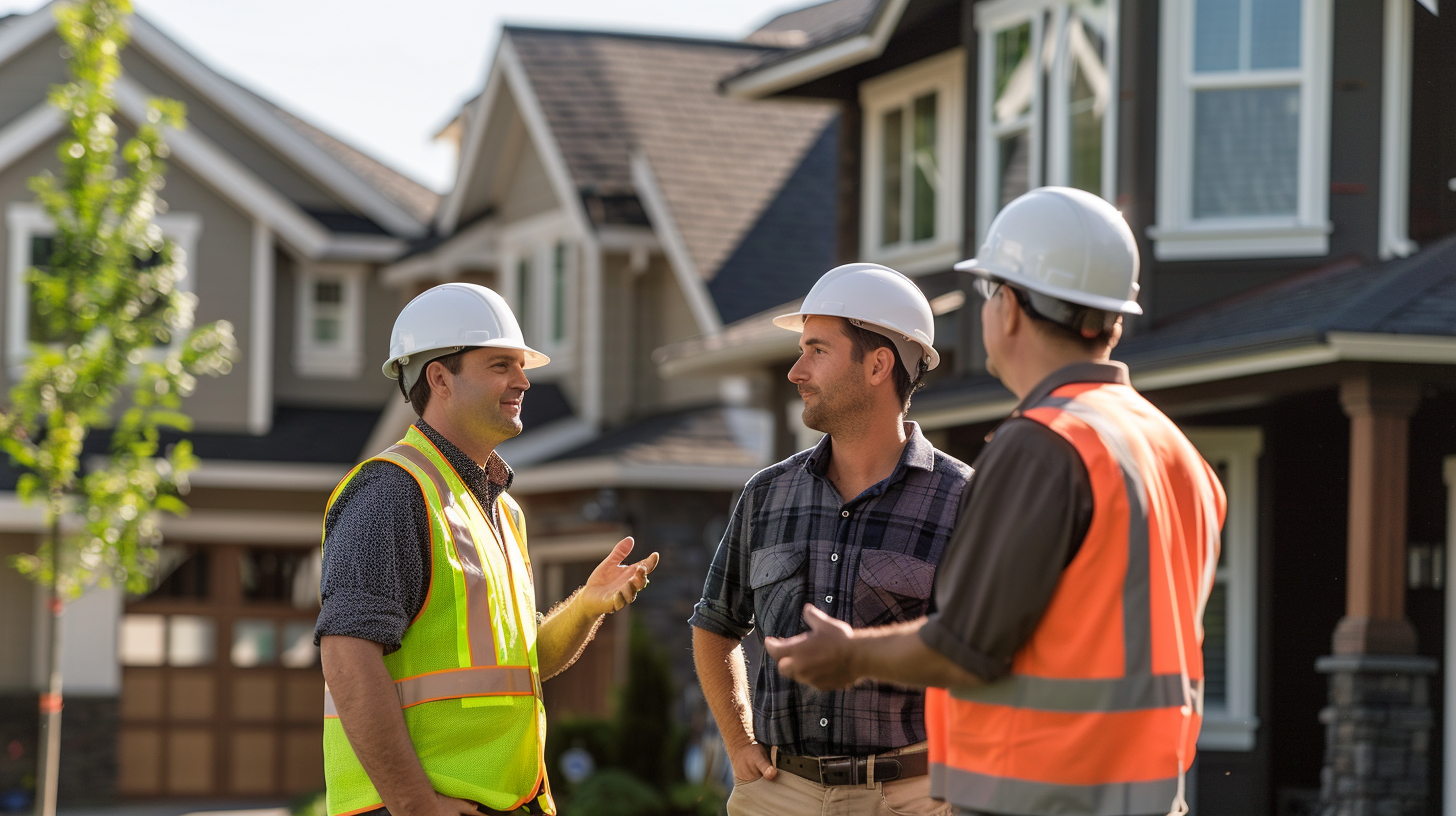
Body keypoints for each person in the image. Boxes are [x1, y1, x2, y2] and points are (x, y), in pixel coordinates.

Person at [762, 188, 1227, 816]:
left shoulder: (1044, 442)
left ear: (1007, 307)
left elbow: (965, 645)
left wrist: (850, 654)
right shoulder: (1179, 455)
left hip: (1041, 792)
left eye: (987, 293)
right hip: (1148, 797)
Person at [316, 283, 659, 816]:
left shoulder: (501, 510)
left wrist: (586, 607)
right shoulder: (391, 493)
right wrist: (416, 806)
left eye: (521, 366)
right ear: (439, 378)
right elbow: (346, 658)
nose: (522, 381)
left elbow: (525, 666)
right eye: (501, 365)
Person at [689, 263, 973, 816]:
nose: (796, 371)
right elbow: (714, 626)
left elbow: (982, 652)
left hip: (912, 798)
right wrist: (737, 740)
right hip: (778, 794)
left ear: (878, 365)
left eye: (817, 350)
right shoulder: (766, 495)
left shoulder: (963, 501)